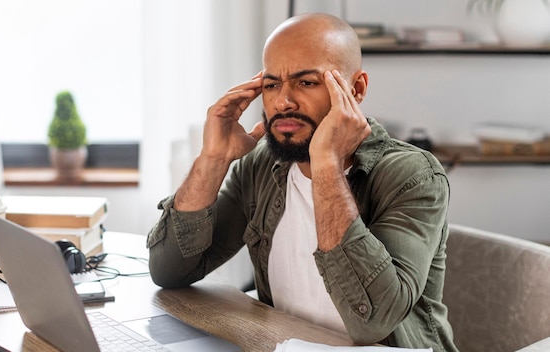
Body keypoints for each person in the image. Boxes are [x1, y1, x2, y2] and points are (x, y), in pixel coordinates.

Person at [146, 12, 458, 352]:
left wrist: (327, 164)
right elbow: (169, 271)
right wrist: (213, 158)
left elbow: (372, 321)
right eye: (271, 84)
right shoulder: (260, 165)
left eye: (306, 82)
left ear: (356, 89)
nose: (283, 101)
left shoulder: (413, 175)